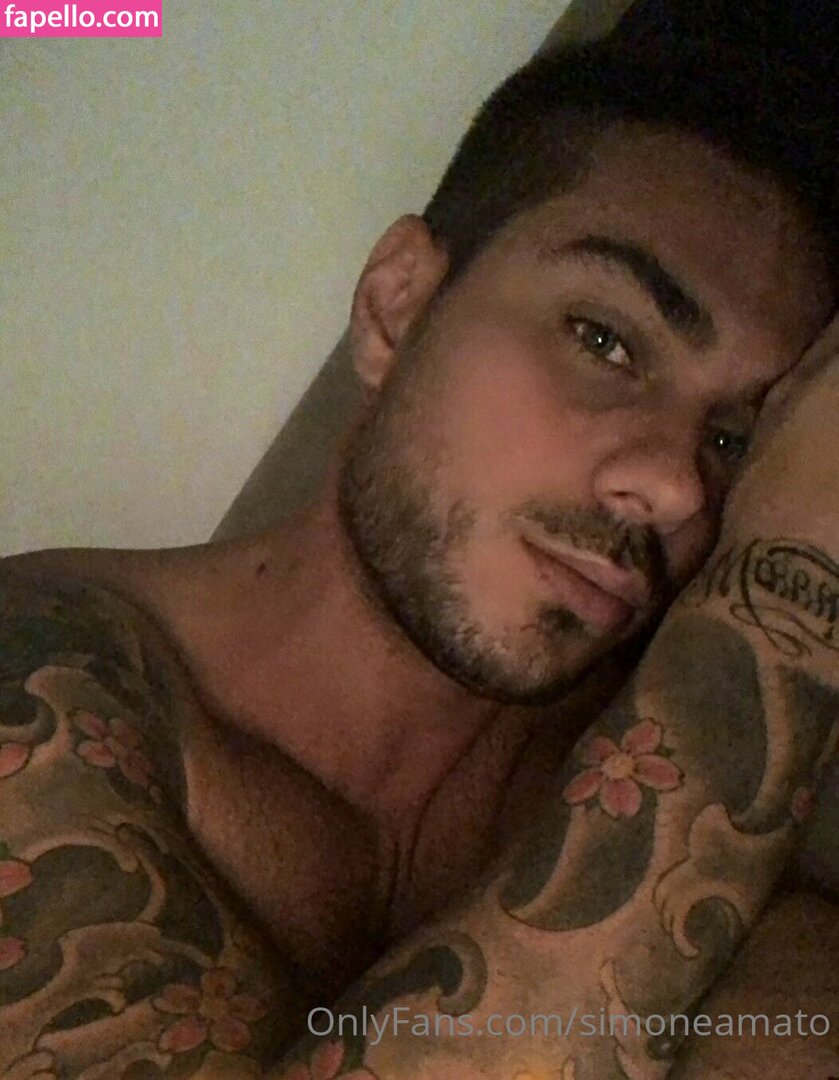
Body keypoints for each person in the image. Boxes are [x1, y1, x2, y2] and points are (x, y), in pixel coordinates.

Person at [0, 43, 836, 1078]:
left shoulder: (749, 897)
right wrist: (792, 591)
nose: (675, 487)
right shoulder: (42, 687)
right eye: (603, 340)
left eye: (733, 440)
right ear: (397, 305)